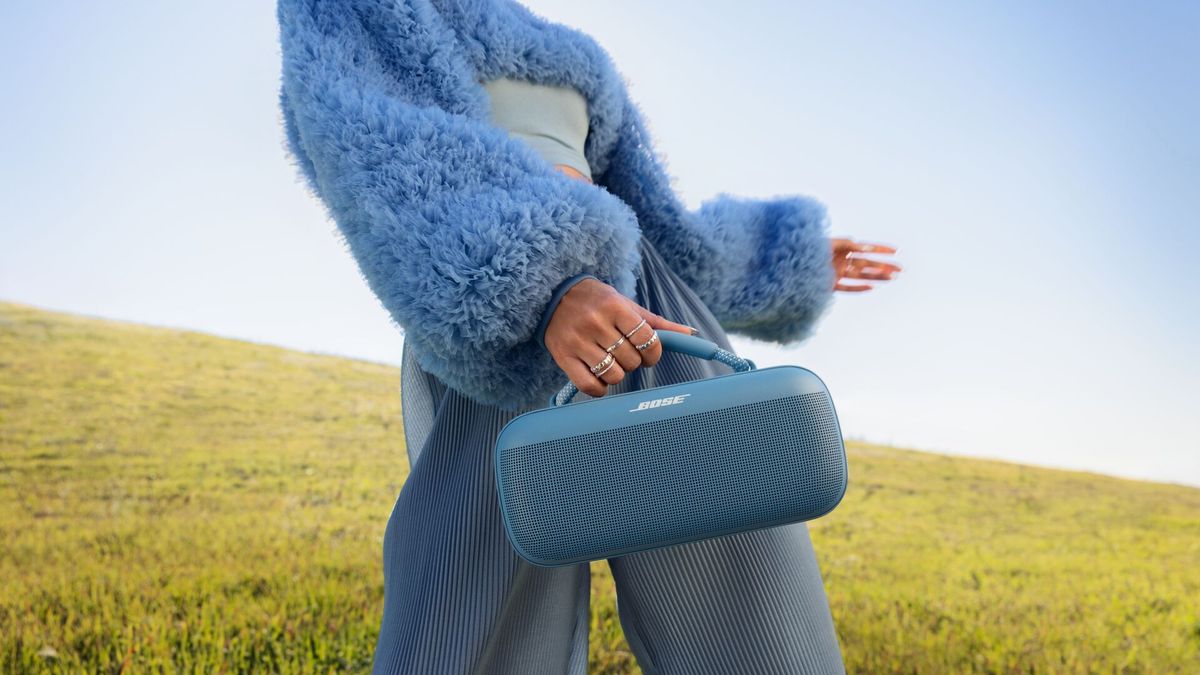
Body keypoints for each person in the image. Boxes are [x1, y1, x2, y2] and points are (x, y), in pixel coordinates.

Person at [276, 2, 898, 673]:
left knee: (749, 596)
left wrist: (784, 257)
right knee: (471, 610)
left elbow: (655, 221)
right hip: (506, 326)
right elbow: (372, 146)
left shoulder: (547, 38)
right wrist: (540, 286)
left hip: (643, 310)